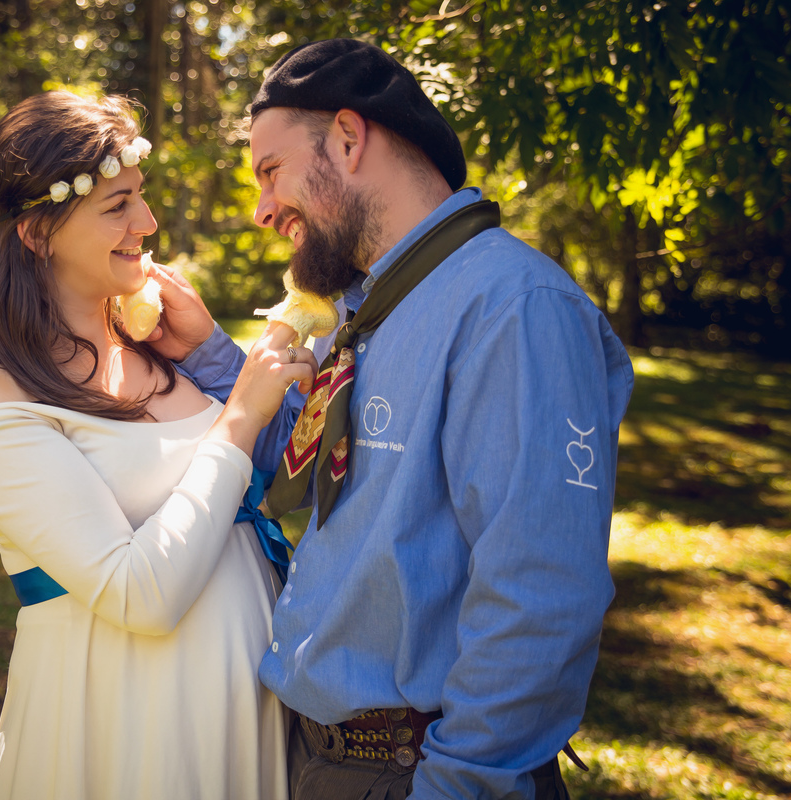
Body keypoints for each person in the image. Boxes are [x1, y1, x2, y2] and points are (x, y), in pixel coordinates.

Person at [152, 40, 635, 800]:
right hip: (323, 765)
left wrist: (457, 787)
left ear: (348, 139)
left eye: (270, 172)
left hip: (420, 777)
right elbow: (314, 472)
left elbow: (539, 598)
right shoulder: (368, 309)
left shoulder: (515, 309)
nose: (261, 209)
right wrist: (210, 354)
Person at [0, 92, 315, 800]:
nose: (147, 223)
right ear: (38, 234)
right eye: (116, 207)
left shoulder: (157, 345)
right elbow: (139, 595)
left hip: (247, 722)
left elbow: (290, 481)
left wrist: (206, 351)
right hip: (131, 731)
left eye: (140, 196)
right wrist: (238, 417)